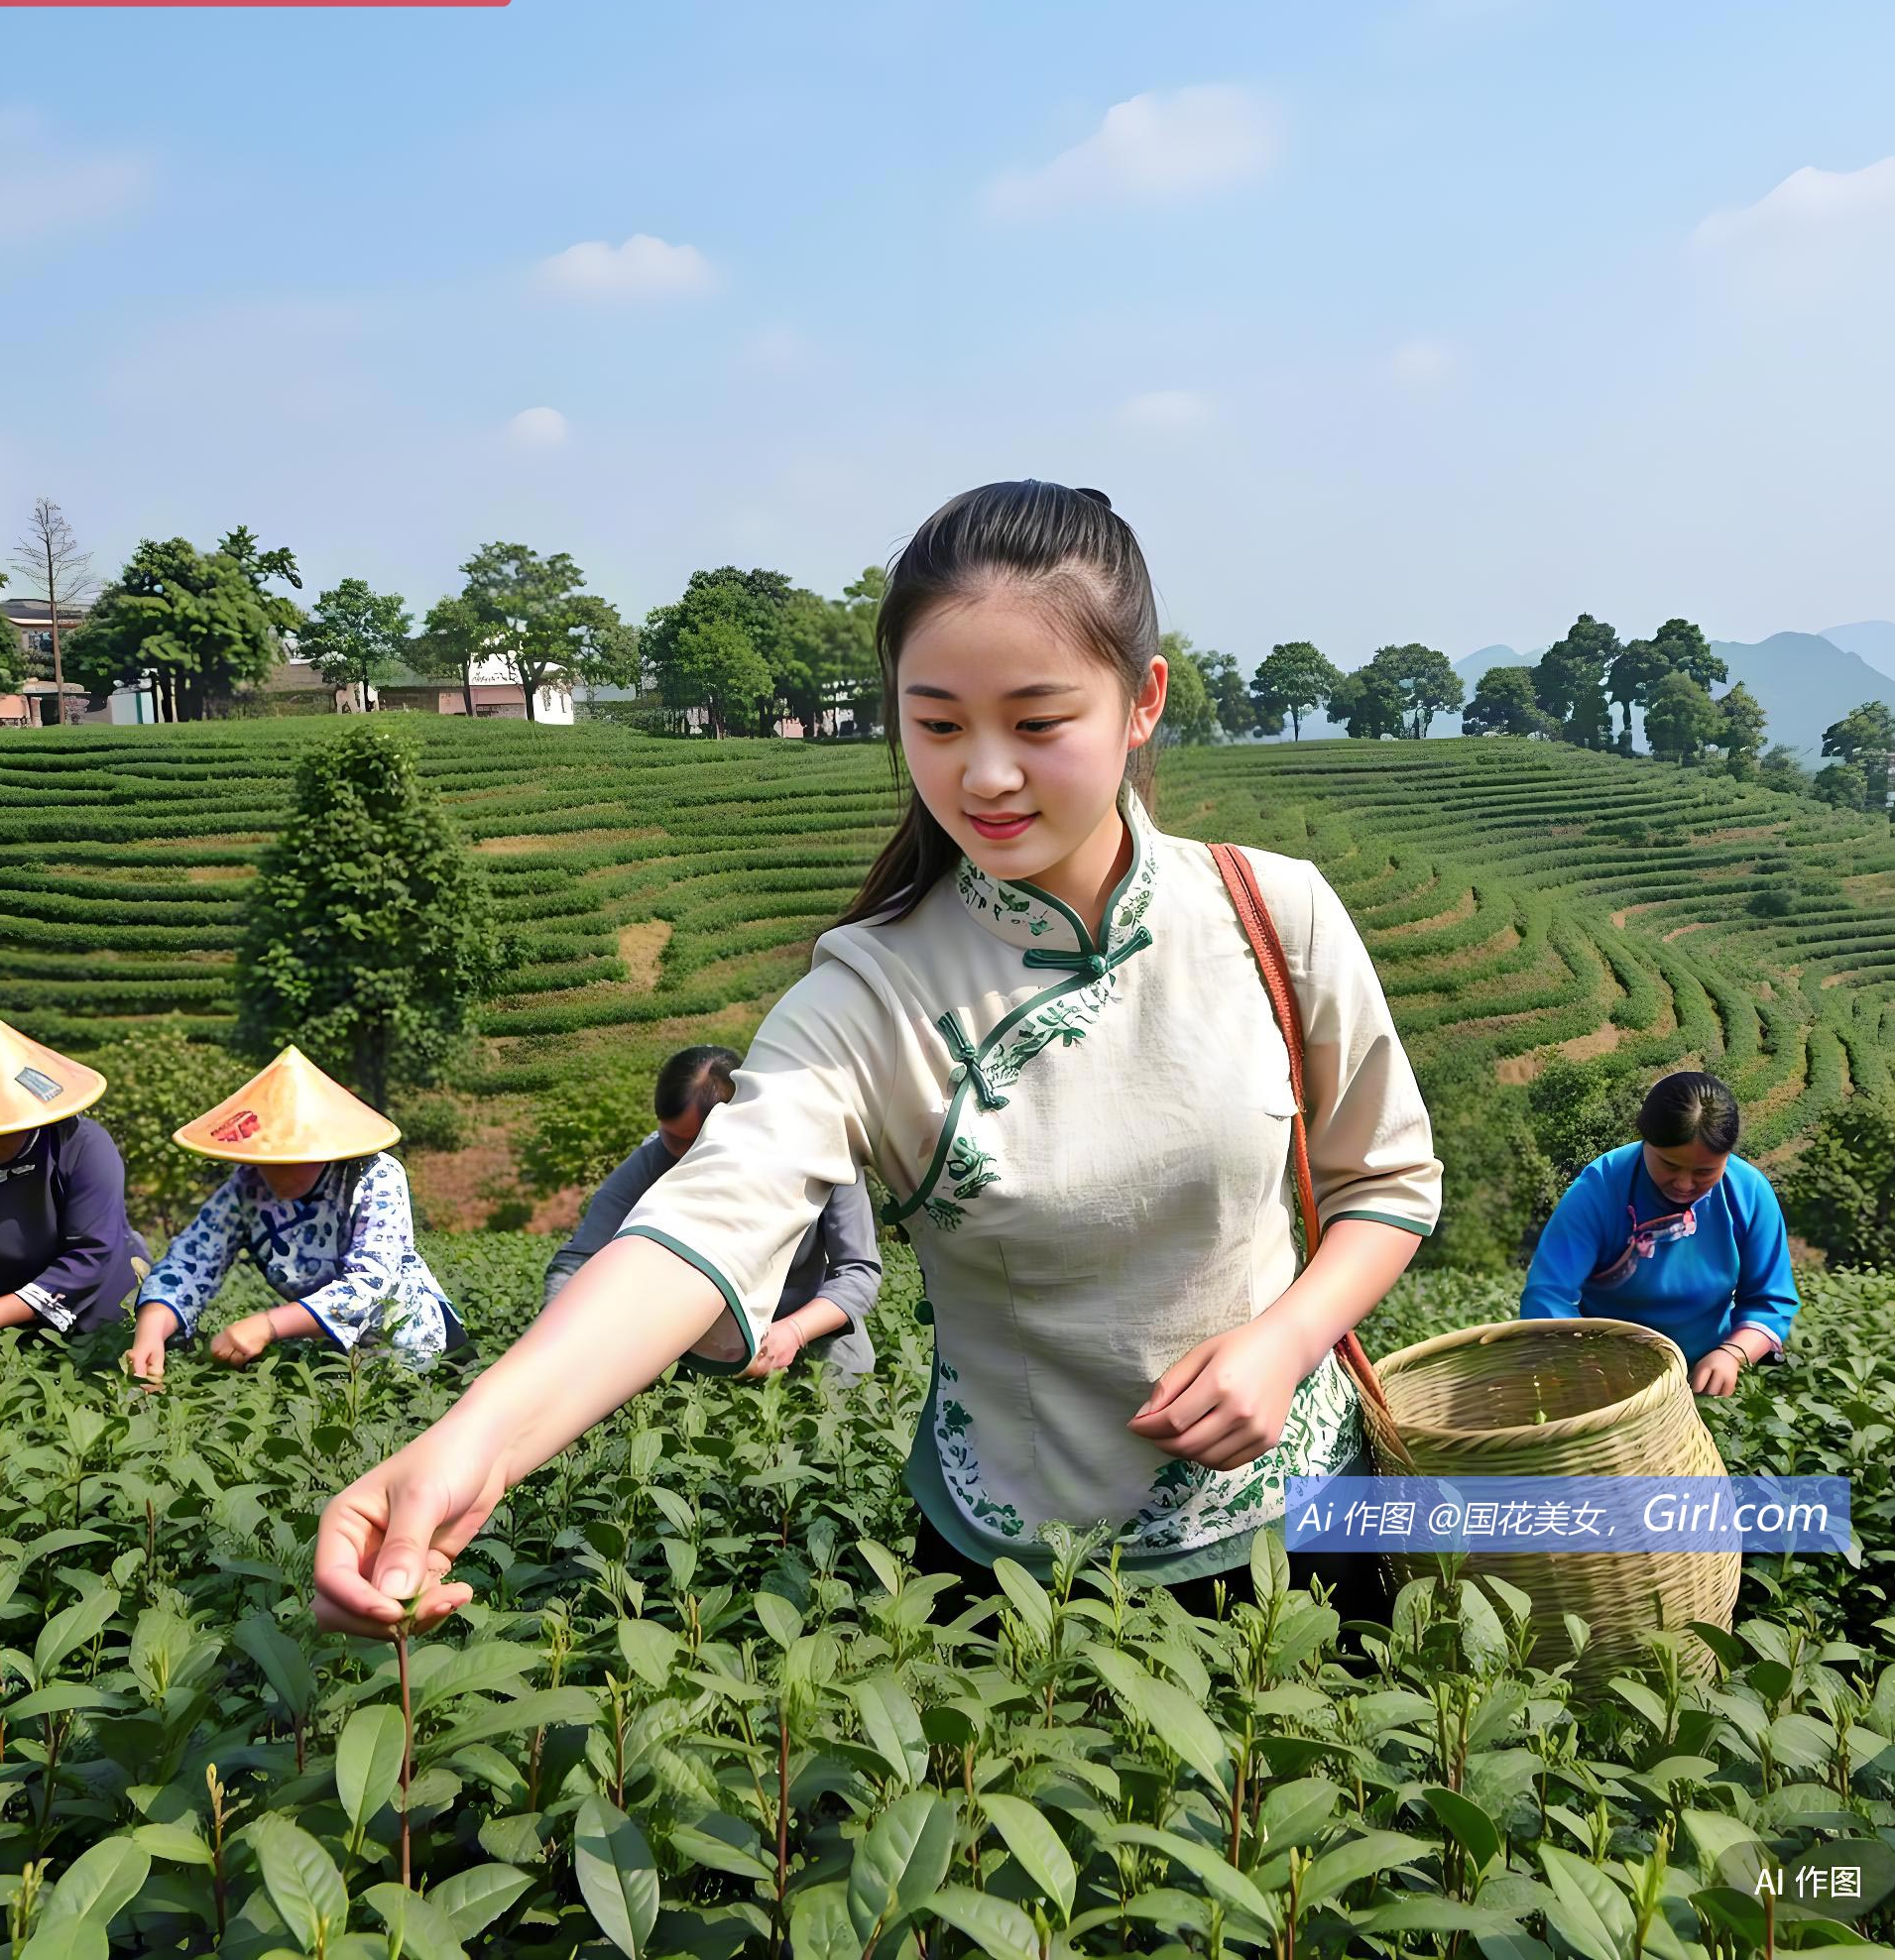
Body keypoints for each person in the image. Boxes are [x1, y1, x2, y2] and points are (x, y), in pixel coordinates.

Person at [312, 479, 1442, 1641]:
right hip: (1014, 1576)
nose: (984, 775)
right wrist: (470, 1443)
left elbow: (1383, 1183)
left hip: (1303, 1525)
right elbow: (702, 1219)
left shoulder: (1270, 911)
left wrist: (1283, 1340)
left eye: (1037, 722)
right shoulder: (871, 988)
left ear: (1140, 701)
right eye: (938, 723)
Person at [539, 1044, 882, 1380]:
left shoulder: (821, 1151)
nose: (682, 1155)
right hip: (699, 1351)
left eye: (693, 1142)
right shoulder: (655, 1158)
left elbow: (857, 1272)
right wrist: (546, 1356)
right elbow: (579, 1259)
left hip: (811, 1340)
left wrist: (793, 1331)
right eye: (670, 1137)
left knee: (834, 1420)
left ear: (739, 1120)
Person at [125, 1046, 466, 1380]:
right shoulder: (249, 1185)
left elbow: (371, 1282)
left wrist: (268, 1325)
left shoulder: (375, 1175)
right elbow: (191, 1261)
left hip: (420, 1353)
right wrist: (151, 1332)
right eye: (267, 1157)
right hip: (336, 1362)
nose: (276, 1172)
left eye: (293, 1156)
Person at [1517, 1071, 1797, 1395]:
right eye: (1669, 1164)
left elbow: (1770, 1300)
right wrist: (1579, 1361)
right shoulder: (1601, 1187)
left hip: (1704, 1373)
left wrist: (1732, 1354)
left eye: (1705, 1172)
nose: (1684, 1184)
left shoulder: (1748, 1193)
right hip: (1602, 1371)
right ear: (1645, 1140)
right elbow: (1549, 1293)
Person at [0, 1009, 147, 1355]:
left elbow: (93, 1255)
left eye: (3, 1126)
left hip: (105, 1315)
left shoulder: (83, 1146)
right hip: (4, 1321)